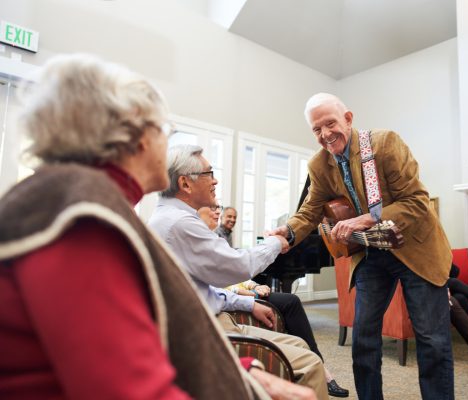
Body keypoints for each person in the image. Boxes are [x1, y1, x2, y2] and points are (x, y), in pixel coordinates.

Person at [0, 54, 316, 400]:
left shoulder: (81, 202)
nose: (167, 146)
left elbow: (138, 338)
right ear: (133, 135)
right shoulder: (82, 224)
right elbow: (129, 389)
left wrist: (241, 370)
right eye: (164, 130)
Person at [267, 93, 454, 400]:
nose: (326, 134)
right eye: (317, 129)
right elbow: (311, 210)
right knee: (364, 340)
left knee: (432, 342)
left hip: (416, 249)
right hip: (371, 253)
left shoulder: (384, 144)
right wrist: (286, 232)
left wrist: (364, 219)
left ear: (348, 119)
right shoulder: (319, 164)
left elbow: (417, 203)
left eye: (331, 123)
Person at [148, 145, 329, 400]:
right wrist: (276, 242)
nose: (215, 179)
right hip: (209, 330)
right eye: (209, 173)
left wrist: (246, 302)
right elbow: (237, 267)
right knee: (310, 363)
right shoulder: (179, 223)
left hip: (216, 318)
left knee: (300, 345)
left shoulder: (170, 218)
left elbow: (200, 288)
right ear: (185, 184)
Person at [199, 206, 349, 397]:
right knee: (291, 302)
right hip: (233, 299)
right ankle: (319, 368)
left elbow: (226, 275)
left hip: (237, 295)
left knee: (290, 307)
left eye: (230, 215)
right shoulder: (202, 238)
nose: (221, 215)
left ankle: (318, 367)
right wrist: (247, 291)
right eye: (217, 211)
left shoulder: (218, 236)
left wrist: (251, 286)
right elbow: (220, 280)